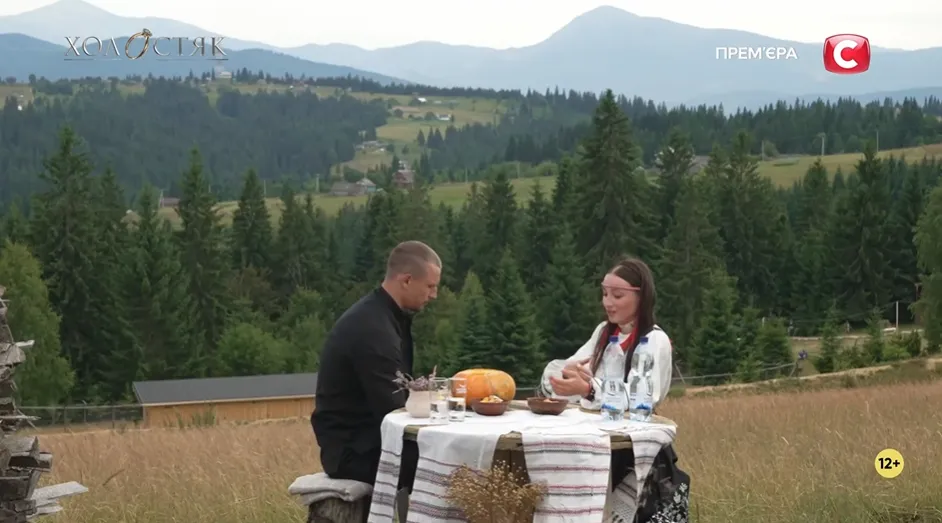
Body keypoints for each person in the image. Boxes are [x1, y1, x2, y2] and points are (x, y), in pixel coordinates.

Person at [538, 256, 689, 522]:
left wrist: (589, 388)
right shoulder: (603, 333)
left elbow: (641, 395)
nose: (608, 302)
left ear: (641, 297)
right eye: (605, 294)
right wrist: (568, 373)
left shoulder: (656, 340)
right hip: (599, 447)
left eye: (617, 295)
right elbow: (573, 364)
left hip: (636, 452)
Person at [312, 240, 441, 491]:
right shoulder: (373, 330)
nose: (434, 295)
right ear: (406, 280)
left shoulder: (383, 316)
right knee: (447, 469)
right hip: (352, 453)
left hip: (365, 441)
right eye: (430, 286)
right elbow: (393, 410)